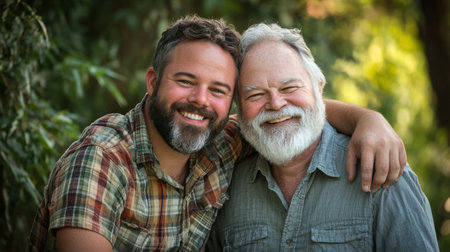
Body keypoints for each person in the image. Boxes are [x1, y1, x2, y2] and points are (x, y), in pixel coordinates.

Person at [28, 16, 407, 251]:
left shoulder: (221, 144)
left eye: (219, 90)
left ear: (231, 106)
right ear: (153, 81)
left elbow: (291, 111)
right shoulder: (100, 159)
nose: (200, 101)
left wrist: (367, 119)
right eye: (185, 81)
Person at [206, 23, 438, 251]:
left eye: (289, 88)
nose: (276, 104)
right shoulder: (224, 184)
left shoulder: (382, 170)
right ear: (238, 107)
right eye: (256, 94)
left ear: (318, 88)